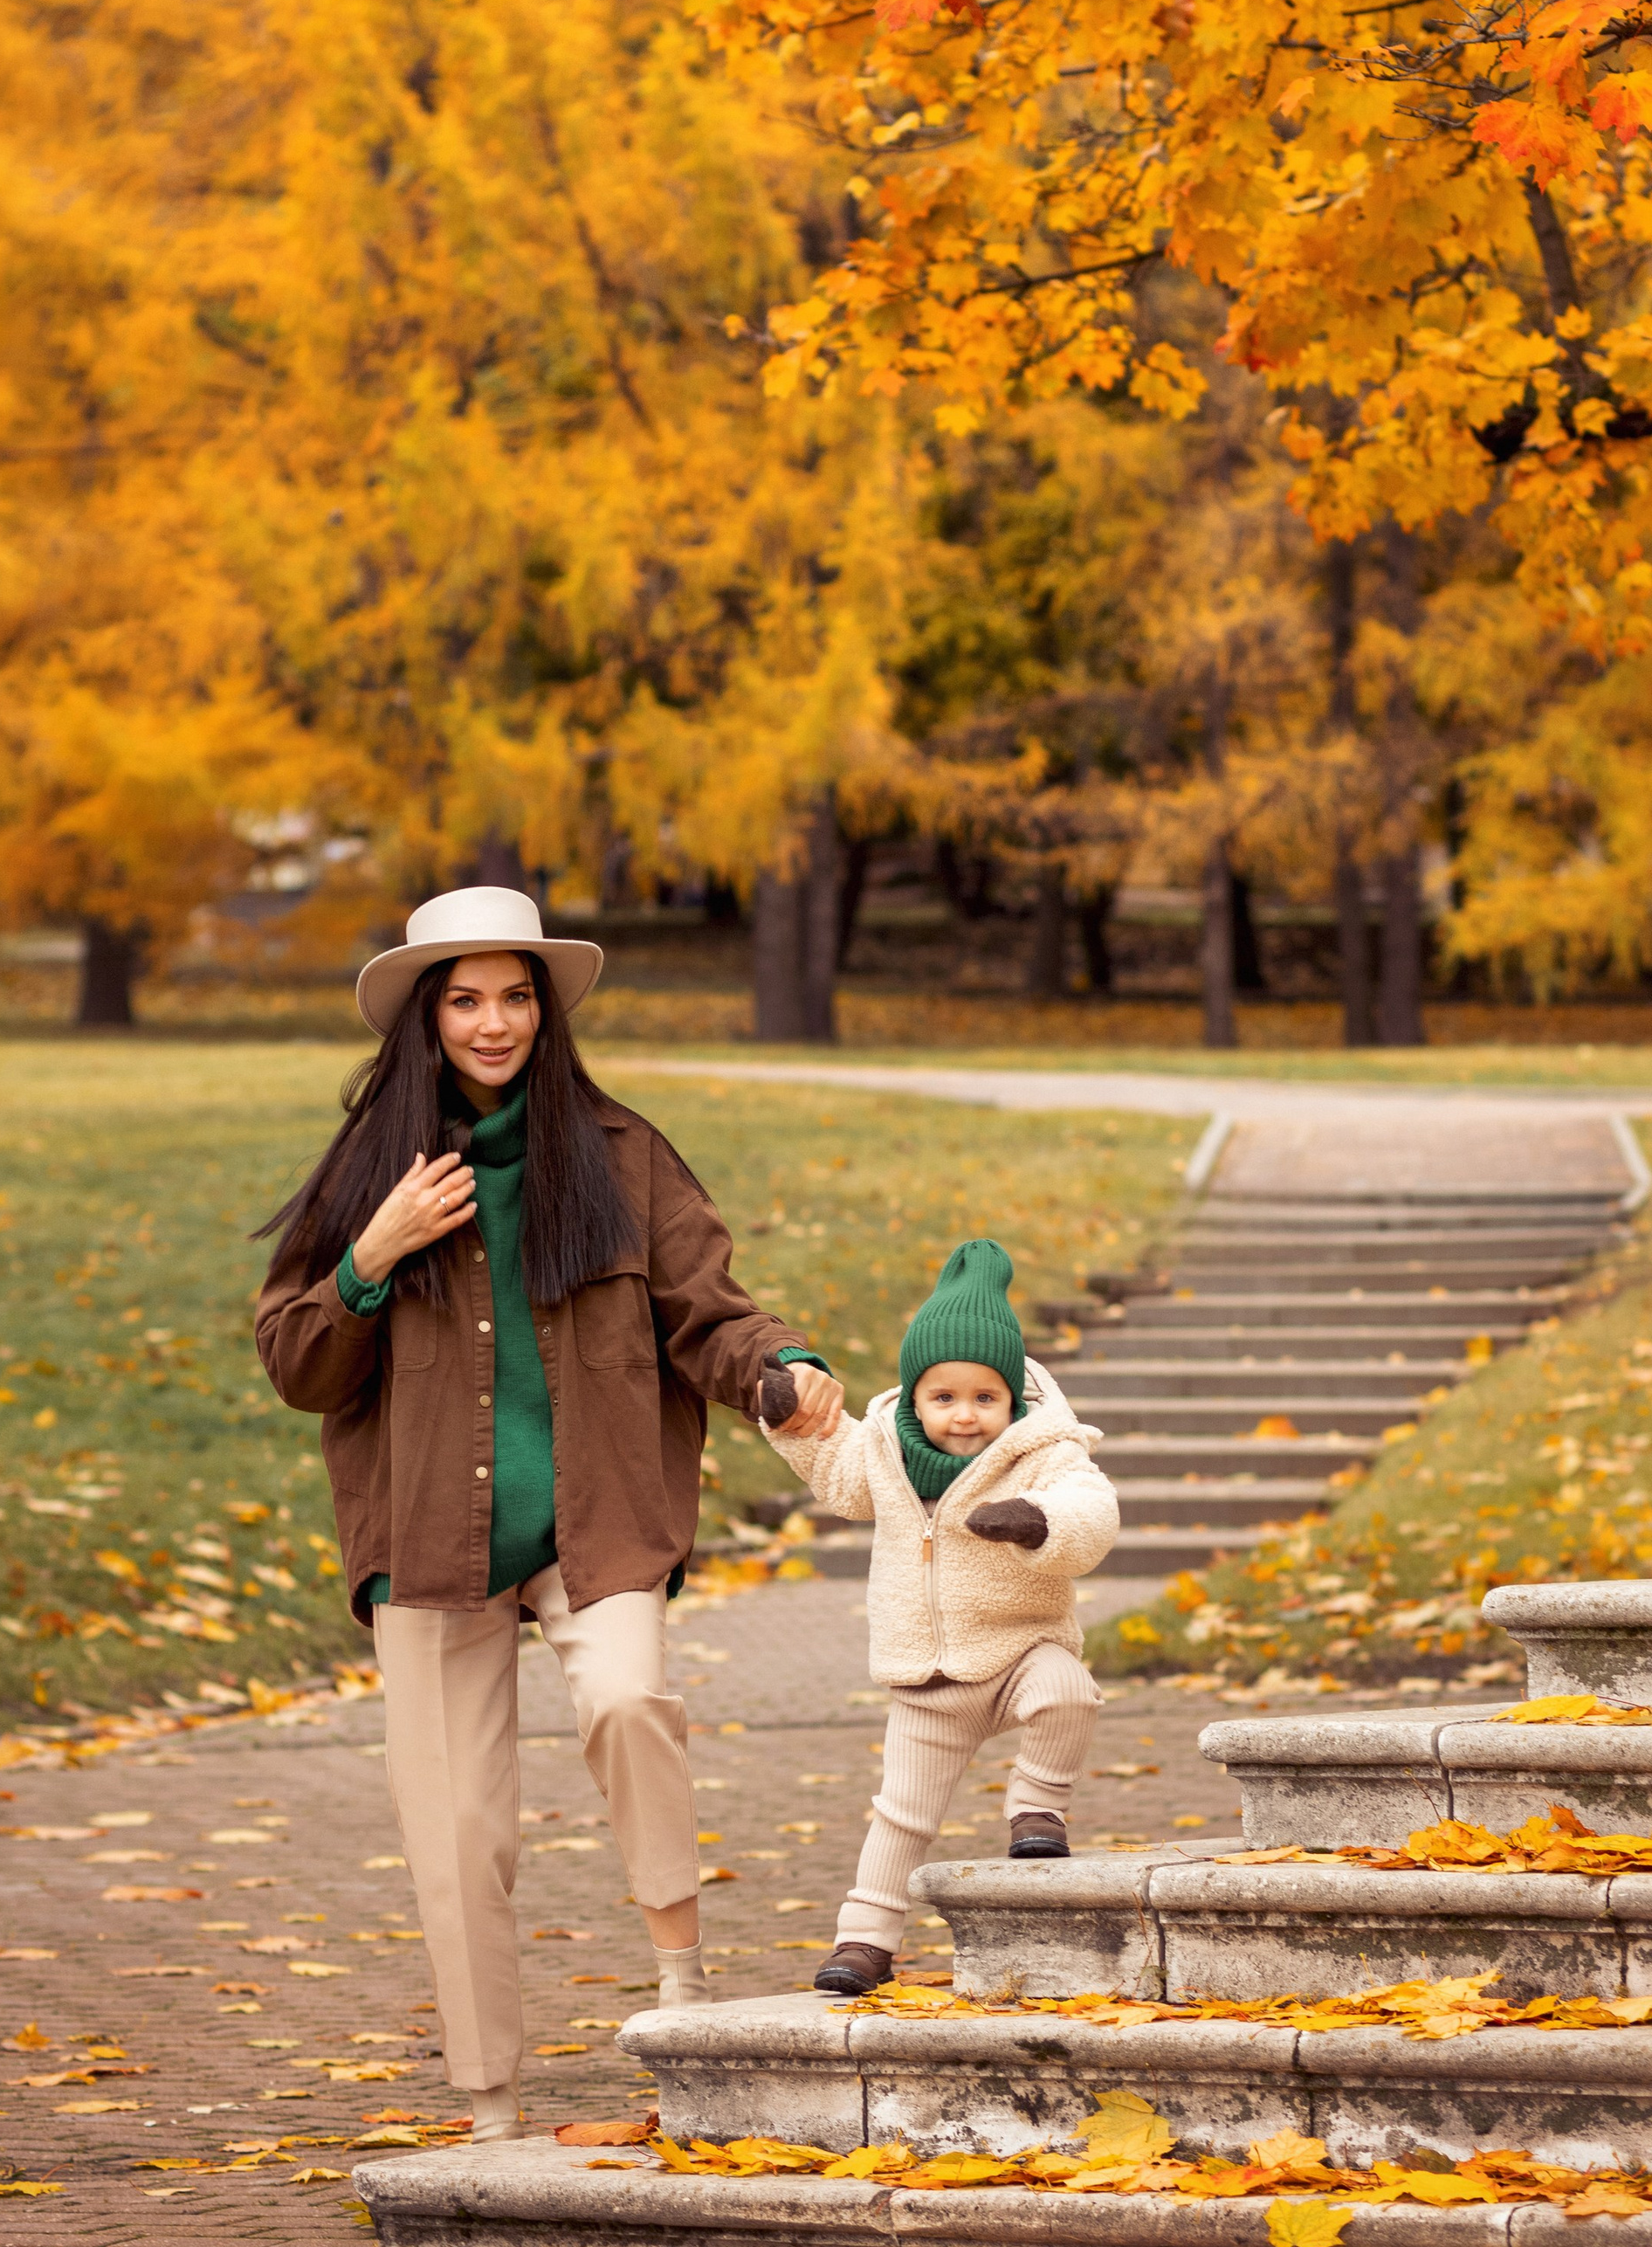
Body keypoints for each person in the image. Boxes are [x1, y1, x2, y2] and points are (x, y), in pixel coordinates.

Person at [254, 886, 842, 2136]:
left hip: (599, 1517)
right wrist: (371, 1254)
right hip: (426, 1541)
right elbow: (296, 1363)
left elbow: (710, 1309)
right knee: (458, 1834)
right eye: (465, 998)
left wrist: (778, 1372)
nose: (492, 1021)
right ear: (426, 1017)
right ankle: (491, 2102)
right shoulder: (367, 1171)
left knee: (630, 1702)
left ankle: (680, 1984)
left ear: (544, 1011)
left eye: (514, 996)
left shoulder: (622, 1153)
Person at [758, 1237, 1118, 1995]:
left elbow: (1092, 1513)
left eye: (985, 1399)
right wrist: (792, 1423)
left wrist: (1037, 1521)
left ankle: (1038, 1809)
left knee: (1070, 1694)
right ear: (915, 1395)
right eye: (944, 1398)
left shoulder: (1044, 1451)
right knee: (902, 1817)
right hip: (926, 1672)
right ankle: (865, 1940)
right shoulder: (883, 1449)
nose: (963, 1417)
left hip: (1023, 1645)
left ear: (1012, 1400)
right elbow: (836, 1468)